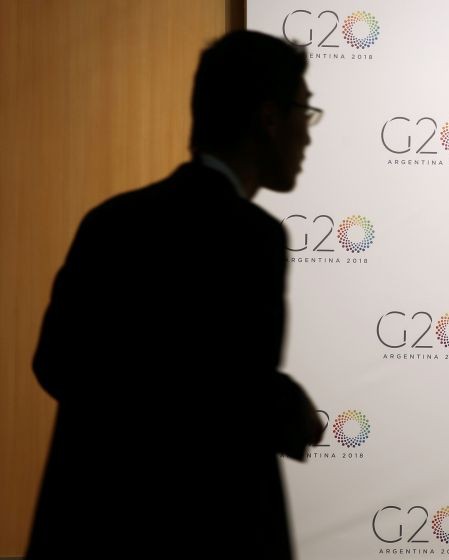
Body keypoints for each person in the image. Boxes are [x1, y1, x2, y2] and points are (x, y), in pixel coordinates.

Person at [26, 31, 323, 558]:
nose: (308, 136)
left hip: (89, 525)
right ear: (269, 118)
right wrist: (288, 407)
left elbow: (54, 364)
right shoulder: (251, 237)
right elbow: (232, 390)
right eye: (305, 111)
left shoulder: (110, 221)